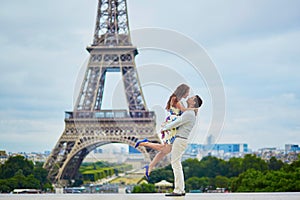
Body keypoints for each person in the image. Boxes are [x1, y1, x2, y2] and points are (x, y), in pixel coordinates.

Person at [135, 84, 193, 179]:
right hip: (172, 126)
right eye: (187, 92)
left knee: (164, 150)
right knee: (165, 149)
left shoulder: (176, 99)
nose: (188, 94)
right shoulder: (175, 99)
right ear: (183, 91)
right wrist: (194, 107)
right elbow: (184, 111)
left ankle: (150, 166)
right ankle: (145, 143)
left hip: (174, 125)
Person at [163, 95, 203, 197]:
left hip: (180, 140)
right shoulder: (191, 113)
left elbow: (177, 123)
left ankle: (178, 190)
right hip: (182, 140)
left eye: (191, 98)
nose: (188, 98)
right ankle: (180, 189)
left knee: (175, 165)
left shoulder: (189, 113)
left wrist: (164, 128)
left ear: (193, 102)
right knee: (177, 165)